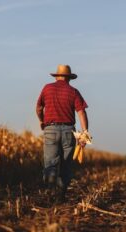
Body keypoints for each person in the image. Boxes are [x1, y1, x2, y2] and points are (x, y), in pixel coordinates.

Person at [36, 65, 89, 202]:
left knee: (50, 162)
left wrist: (42, 120)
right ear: (69, 78)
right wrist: (84, 133)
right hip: (68, 131)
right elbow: (82, 112)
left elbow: (39, 107)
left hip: (50, 129)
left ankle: (51, 176)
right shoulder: (73, 92)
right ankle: (61, 195)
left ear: (57, 76)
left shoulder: (47, 88)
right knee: (66, 165)